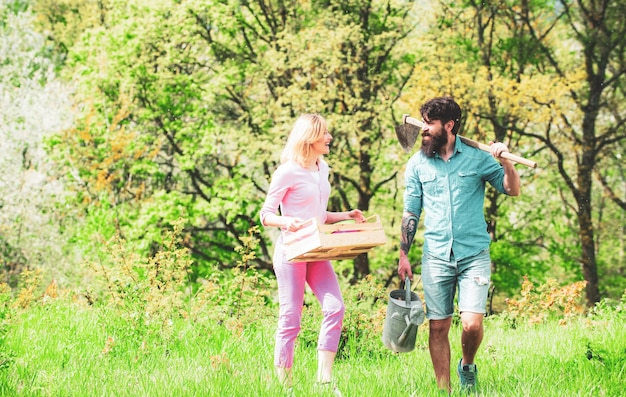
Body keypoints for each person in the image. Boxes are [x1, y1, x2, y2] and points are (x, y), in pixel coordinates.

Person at [397, 96, 521, 394]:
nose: (423, 130)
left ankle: (467, 365)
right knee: (438, 326)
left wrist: (505, 162)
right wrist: (403, 254)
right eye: (422, 122)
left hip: (473, 255)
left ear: (449, 126)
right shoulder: (417, 164)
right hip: (436, 256)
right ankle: (444, 390)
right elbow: (411, 211)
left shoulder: (478, 159)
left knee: (471, 325)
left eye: (429, 124)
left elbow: (511, 190)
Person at [260, 114, 365, 396]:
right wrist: (287, 222)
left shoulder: (323, 168)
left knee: (335, 308)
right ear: (310, 138)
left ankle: (324, 381)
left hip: (317, 250)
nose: (330, 138)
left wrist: (347, 216)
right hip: (292, 252)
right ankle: (286, 388)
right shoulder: (287, 172)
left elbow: (319, 214)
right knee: (290, 317)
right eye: (325, 134)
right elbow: (266, 215)